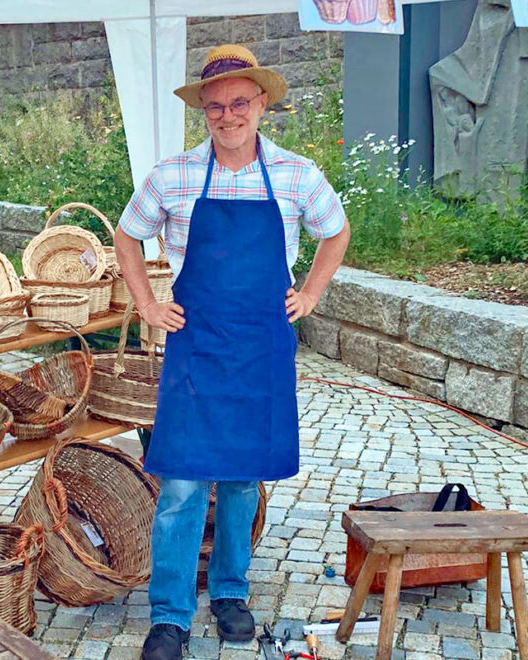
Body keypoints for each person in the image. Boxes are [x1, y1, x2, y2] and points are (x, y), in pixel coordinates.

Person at [113, 44, 351, 660]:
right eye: (215, 106)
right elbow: (127, 235)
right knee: (182, 484)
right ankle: (170, 615)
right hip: (196, 348)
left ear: (262, 104)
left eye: (239, 103)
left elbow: (336, 231)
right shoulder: (173, 175)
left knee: (244, 480)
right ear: (204, 111)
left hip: (260, 350)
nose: (228, 116)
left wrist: (311, 292)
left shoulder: (297, 175)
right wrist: (147, 303)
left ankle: (230, 593)